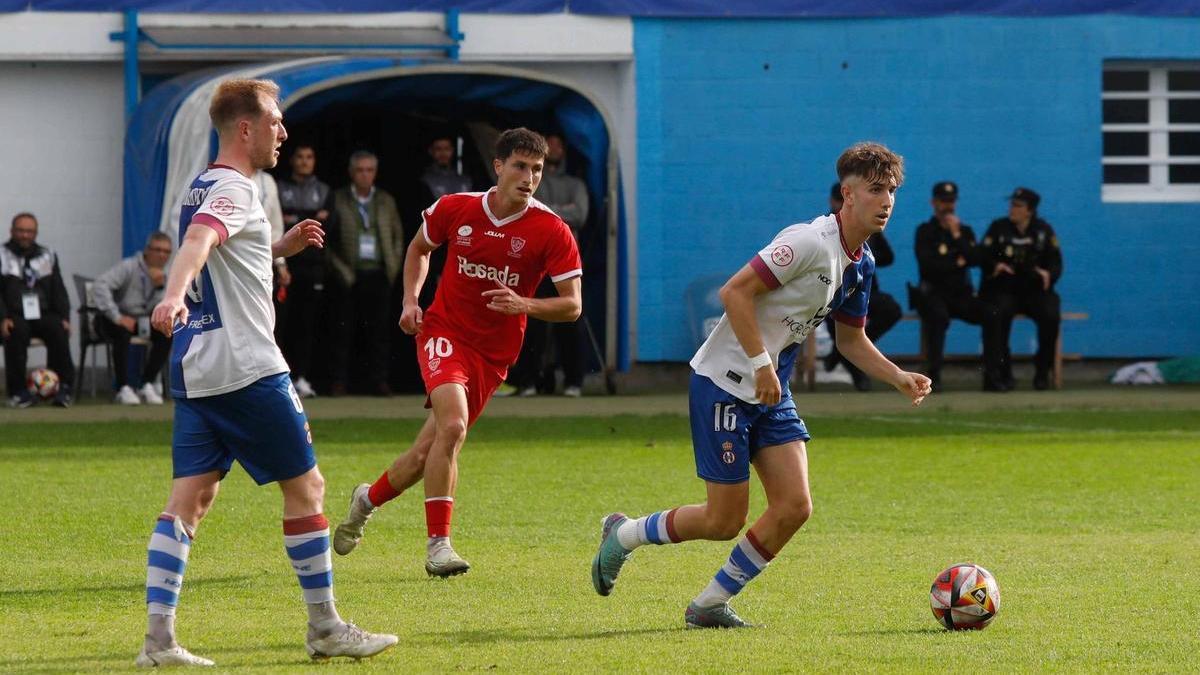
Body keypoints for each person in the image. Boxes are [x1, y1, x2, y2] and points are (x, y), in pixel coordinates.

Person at [590, 143, 931, 629]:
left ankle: (708, 604)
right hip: (725, 383)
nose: (887, 200)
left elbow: (851, 340)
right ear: (847, 194)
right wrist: (759, 363)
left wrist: (897, 376)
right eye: (876, 189)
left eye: (892, 190)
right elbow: (735, 292)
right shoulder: (809, 242)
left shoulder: (862, 263)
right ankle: (623, 535)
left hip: (771, 391)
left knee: (795, 506)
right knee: (721, 521)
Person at [138, 78, 396, 667]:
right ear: (246, 129)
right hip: (248, 367)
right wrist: (172, 295)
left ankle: (158, 642)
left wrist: (280, 246)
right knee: (307, 489)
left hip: (197, 367)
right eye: (276, 122)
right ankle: (326, 628)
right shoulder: (233, 186)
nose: (284, 132)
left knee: (188, 501)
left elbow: (225, 248)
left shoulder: (202, 183)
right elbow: (201, 243)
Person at [331, 128, 582, 577]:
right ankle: (438, 547)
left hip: (493, 354)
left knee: (423, 455)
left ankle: (365, 501)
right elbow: (419, 248)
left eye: (537, 170)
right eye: (521, 167)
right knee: (454, 424)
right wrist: (411, 300)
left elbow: (572, 305)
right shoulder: (456, 207)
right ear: (499, 166)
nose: (529, 178)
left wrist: (525, 303)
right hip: (444, 331)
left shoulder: (551, 230)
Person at [501, 132, 590, 397]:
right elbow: (525, 208)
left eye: (557, 144)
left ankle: (574, 382)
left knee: (571, 324)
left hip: (564, 264)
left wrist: (546, 212)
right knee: (531, 325)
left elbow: (581, 214)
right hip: (534, 263)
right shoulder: (534, 181)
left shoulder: (575, 183)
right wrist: (562, 210)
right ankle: (528, 382)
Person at [912, 181, 1007, 392]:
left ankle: (992, 376)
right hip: (934, 294)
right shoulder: (925, 232)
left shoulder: (964, 231)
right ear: (933, 202)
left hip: (961, 295)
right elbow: (928, 267)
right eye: (943, 202)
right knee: (938, 317)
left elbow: (976, 258)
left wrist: (956, 236)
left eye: (951, 201)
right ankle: (932, 377)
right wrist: (957, 262)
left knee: (992, 313)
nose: (948, 206)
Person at [328, 150, 404, 396]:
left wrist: (392, 268)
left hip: (379, 274)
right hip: (349, 274)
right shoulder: (338, 199)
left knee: (380, 332)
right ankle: (339, 381)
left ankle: (379, 381)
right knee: (343, 331)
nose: (364, 175)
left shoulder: (385, 200)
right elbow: (327, 241)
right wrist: (341, 271)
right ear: (351, 173)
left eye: (369, 170)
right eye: (360, 170)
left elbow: (397, 237)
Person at [980, 187, 1063, 390]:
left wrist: (1048, 275)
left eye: (1018, 206)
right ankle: (1002, 373)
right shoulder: (999, 228)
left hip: (1034, 290)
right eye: (1012, 205)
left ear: (1030, 210)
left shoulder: (1043, 230)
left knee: (1051, 315)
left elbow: (1056, 262)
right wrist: (994, 266)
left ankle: (1042, 371)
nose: (1012, 209)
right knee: (997, 314)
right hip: (1006, 289)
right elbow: (982, 254)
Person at [821, 181, 902, 391]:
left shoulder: (868, 226)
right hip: (833, 296)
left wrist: (864, 259)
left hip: (864, 292)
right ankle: (858, 375)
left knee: (890, 308)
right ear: (835, 200)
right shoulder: (822, 231)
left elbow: (888, 256)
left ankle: (839, 354)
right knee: (843, 330)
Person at [0, 212, 75, 408]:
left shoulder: (47, 255)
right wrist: (2, 318)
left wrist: (64, 317)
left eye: (30, 231)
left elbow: (58, 289)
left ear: (36, 233)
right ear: (12, 231)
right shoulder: (2, 254)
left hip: (41, 313)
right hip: (13, 315)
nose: (25, 235)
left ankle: (63, 388)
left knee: (58, 329)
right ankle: (18, 392)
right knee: (16, 331)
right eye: (21, 231)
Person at [276, 144, 332, 398]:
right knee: (281, 323)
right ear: (292, 160)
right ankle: (281, 376)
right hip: (287, 267)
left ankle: (302, 377)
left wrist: (296, 217)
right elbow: (280, 220)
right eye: (300, 156)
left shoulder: (323, 190)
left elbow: (325, 223)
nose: (304, 161)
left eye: (309, 157)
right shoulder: (280, 188)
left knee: (307, 326)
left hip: (313, 267)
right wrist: (305, 216)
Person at [92, 231, 173, 405]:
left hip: (141, 320)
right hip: (113, 317)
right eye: (157, 250)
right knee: (122, 333)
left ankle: (147, 383)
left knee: (167, 332)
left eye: (166, 252)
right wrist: (117, 316)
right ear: (147, 250)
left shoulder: (167, 274)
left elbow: (157, 308)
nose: (161, 255)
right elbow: (100, 285)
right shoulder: (130, 266)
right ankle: (123, 387)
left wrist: (159, 288)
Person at [420, 135, 473, 200]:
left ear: (452, 150)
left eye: (447, 149)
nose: (443, 153)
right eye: (438, 149)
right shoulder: (425, 180)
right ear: (431, 151)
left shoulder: (464, 179)